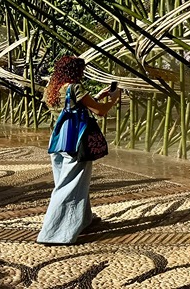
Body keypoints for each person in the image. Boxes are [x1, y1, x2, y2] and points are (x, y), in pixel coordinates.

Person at [37, 55, 120, 245]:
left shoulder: (52, 87)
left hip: (58, 140)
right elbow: (100, 111)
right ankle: (54, 233)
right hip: (75, 141)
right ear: (75, 71)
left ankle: (83, 219)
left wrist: (96, 97)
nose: (82, 73)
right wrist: (113, 100)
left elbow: (69, 108)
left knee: (68, 181)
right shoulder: (75, 87)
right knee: (68, 187)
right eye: (81, 70)